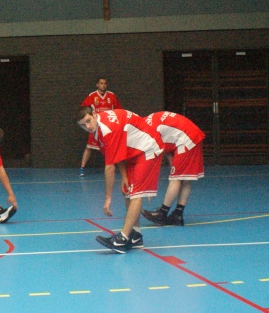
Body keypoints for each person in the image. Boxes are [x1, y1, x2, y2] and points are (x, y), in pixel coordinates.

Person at [75, 106, 163, 254]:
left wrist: (108, 198)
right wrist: (124, 175)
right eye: (83, 125)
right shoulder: (98, 131)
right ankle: (135, 236)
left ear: (95, 114)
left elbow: (109, 168)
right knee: (128, 191)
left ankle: (122, 239)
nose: (88, 127)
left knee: (135, 194)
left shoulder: (108, 129)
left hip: (148, 149)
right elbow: (118, 153)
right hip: (133, 152)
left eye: (88, 121)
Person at [141, 111, 205, 226]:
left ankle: (162, 213)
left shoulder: (147, 131)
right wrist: (172, 160)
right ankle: (178, 214)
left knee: (175, 178)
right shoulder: (148, 121)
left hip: (186, 139)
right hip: (190, 135)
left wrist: (147, 186)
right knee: (185, 178)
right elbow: (165, 143)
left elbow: (153, 160)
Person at [79, 77, 121, 177]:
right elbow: (83, 108)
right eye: (101, 83)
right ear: (97, 85)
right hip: (96, 125)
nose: (103, 85)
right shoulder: (92, 96)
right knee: (89, 147)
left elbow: (119, 110)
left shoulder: (111, 96)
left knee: (111, 147)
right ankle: (82, 168)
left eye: (105, 83)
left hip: (108, 126)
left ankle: (113, 167)